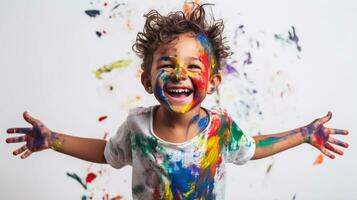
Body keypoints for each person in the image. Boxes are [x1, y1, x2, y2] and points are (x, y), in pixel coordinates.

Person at [5, 4, 349, 200]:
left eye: (193, 66)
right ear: (146, 78)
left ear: (213, 81)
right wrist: (53, 140)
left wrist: (303, 134)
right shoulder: (138, 126)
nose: (179, 74)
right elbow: (108, 154)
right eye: (166, 64)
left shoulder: (219, 128)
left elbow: (252, 148)